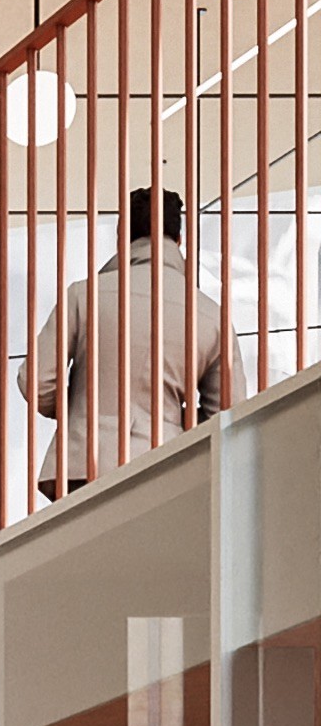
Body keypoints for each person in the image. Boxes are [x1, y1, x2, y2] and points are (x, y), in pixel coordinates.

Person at [22, 184, 234, 498]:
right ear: (178, 240)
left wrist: (83, 411)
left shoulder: (84, 294)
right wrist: (172, 428)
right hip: (168, 467)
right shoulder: (211, 316)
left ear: (123, 238)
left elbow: (36, 380)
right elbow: (227, 414)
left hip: (83, 465)